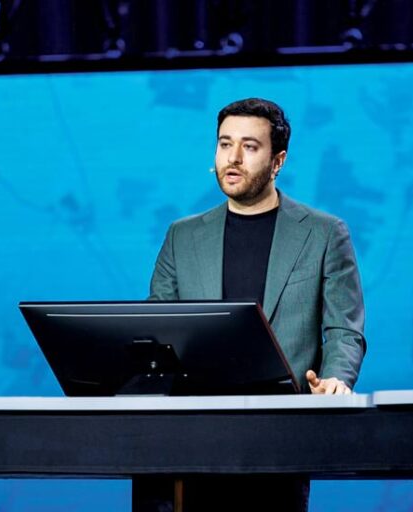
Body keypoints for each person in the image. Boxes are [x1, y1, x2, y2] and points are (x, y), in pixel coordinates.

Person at [146, 98, 367, 511]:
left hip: (280, 434)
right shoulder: (182, 236)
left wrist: (337, 379)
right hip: (193, 435)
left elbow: (344, 329)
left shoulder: (324, 233)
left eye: (249, 146)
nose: (232, 157)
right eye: (224, 143)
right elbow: (156, 325)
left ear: (277, 160)